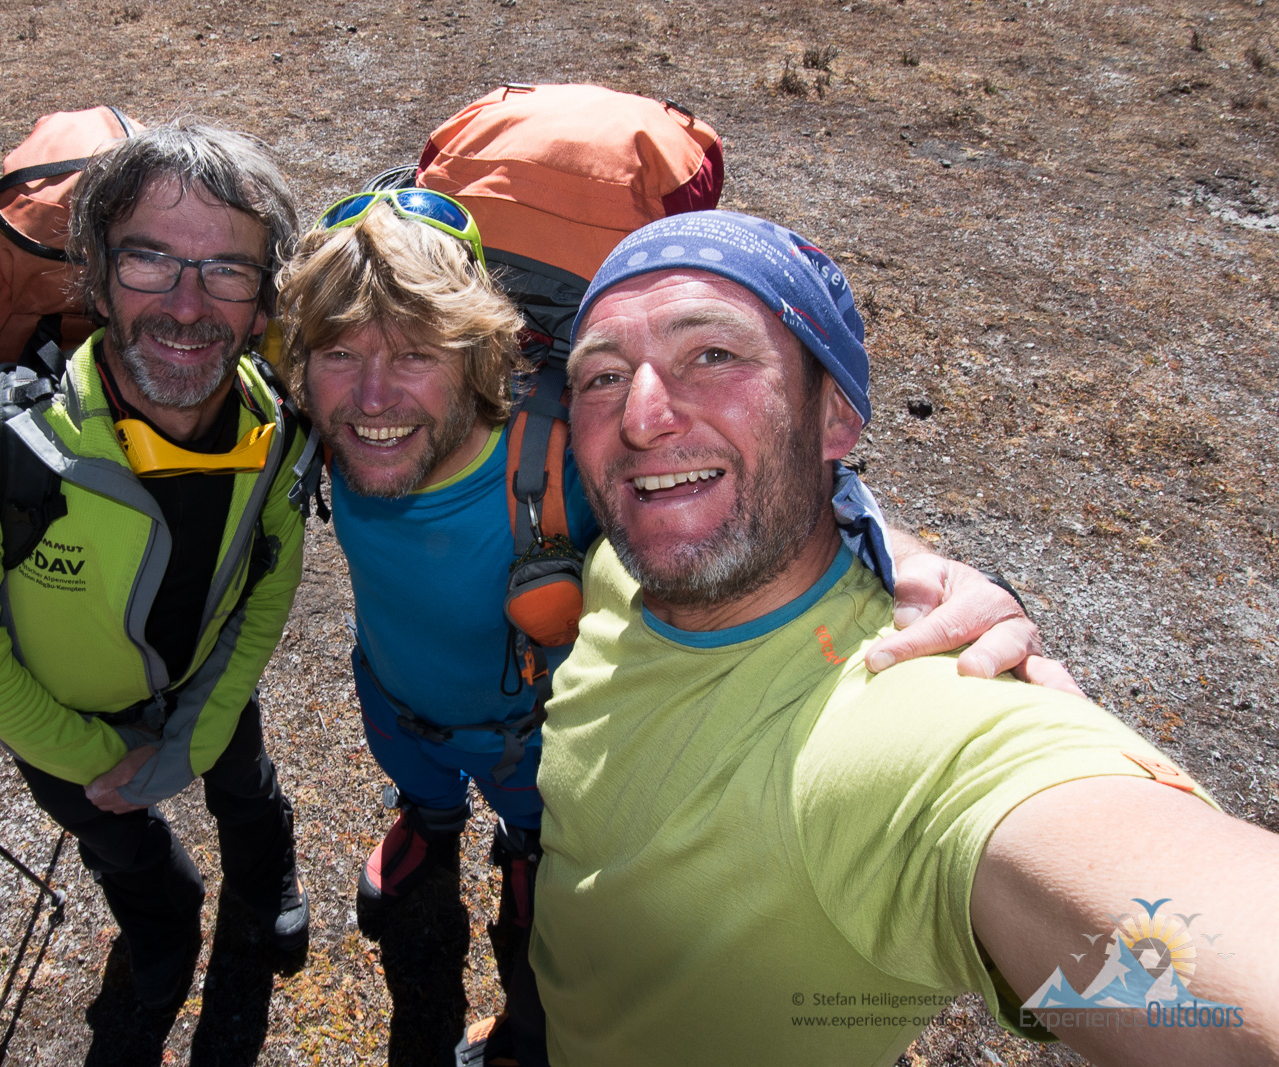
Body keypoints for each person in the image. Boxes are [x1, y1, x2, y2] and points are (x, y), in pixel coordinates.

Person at [528, 210, 1279, 1065]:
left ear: (835, 419)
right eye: (602, 376)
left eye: (713, 355)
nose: (641, 416)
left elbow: (1196, 944)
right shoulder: (630, 562)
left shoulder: (903, 719)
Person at [274, 196, 1064, 965]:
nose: (372, 395)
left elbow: (751, 482)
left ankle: (525, 859)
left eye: (415, 352)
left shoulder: (563, 461)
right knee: (418, 778)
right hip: (391, 693)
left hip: (526, 736)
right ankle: (432, 819)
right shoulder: (331, 419)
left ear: (477, 350)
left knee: (539, 840)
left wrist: (905, 558)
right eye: (340, 351)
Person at [0, 121, 312, 1018]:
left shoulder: (276, 433)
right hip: (59, 730)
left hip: (212, 692)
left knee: (245, 785)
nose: (188, 305)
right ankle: (164, 929)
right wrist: (99, 759)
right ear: (93, 266)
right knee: (122, 846)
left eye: (229, 270)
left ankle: (265, 879)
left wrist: (196, 738)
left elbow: (273, 580)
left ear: (266, 299)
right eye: (149, 260)